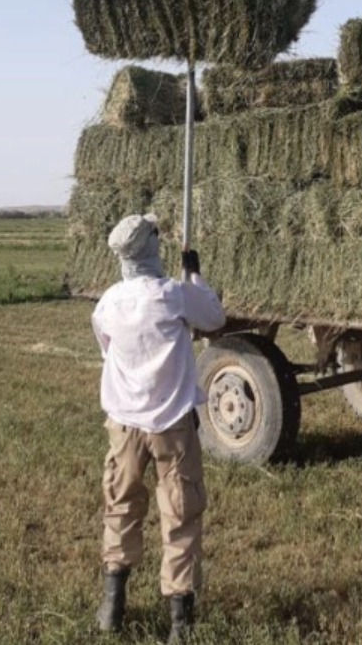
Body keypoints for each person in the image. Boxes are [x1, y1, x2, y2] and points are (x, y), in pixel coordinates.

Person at [91, 213, 226, 641]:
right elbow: (214, 319)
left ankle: (113, 604)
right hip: (172, 426)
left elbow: (106, 349)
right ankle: (179, 623)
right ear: (151, 247)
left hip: (125, 425)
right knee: (181, 514)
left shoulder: (108, 302)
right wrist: (195, 276)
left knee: (121, 505)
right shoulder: (174, 294)